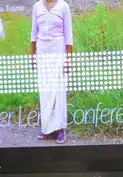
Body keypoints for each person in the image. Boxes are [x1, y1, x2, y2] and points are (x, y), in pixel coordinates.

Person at [30, 0, 73, 144]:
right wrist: (32, 56)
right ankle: (47, 128)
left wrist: (69, 59)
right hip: (42, 53)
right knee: (46, 91)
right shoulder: (37, 6)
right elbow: (33, 34)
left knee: (58, 91)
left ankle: (60, 129)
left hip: (58, 51)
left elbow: (69, 35)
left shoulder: (63, 6)